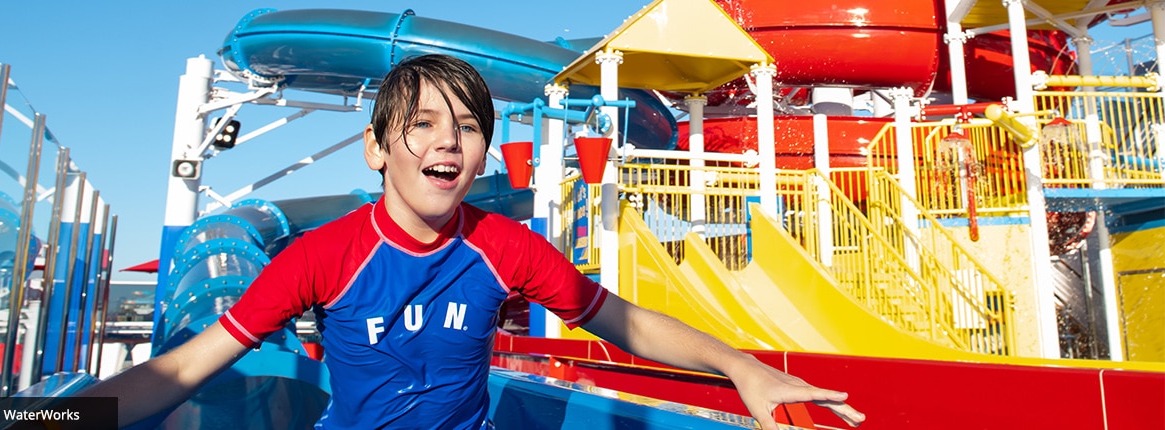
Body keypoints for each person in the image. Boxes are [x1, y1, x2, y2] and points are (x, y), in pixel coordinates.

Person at [77, 54, 865, 430]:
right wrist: (50, 422)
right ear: (376, 148)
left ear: (483, 153)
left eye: (467, 127)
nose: (448, 140)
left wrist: (740, 367)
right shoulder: (325, 256)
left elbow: (623, 322)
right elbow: (181, 369)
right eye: (421, 124)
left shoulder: (504, 246)